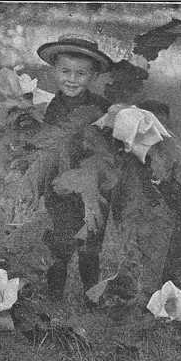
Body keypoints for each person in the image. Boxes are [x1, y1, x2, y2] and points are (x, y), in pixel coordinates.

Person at [36, 34, 113, 300]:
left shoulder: (101, 107)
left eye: (81, 73)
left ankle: (91, 294)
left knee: (91, 242)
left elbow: (110, 148)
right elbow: (49, 145)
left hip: (93, 187)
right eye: (65, 71)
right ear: (54, 71)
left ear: (92, 76)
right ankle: (54, 295)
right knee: (59, 241)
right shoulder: (54, 108)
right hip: (61, 187)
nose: (72, 79)